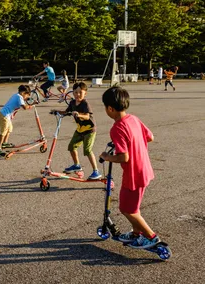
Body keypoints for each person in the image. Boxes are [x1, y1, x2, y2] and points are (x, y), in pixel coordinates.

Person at [99, 86, 159, 249]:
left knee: (127, 209)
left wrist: (106, 156)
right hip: (144, 169)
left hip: (134, 174)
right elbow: (150, 137)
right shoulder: (133, 119)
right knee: (134, 206)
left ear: (110, 108)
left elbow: (123, 157)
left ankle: (151, 237)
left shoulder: (117, 128)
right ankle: (135, 233)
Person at [50, 82, 101, 180]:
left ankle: (96, 171)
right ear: (72, 93)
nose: (77, 94)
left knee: (87, 150)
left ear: (85, 93)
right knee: (71, 146)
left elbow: (87, 116)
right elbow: (67, 111)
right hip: (80, 130)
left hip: (89, 130)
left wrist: (78, 114)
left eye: (80, 92)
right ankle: (77, 165)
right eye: (75, 92)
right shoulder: (72, 103)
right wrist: (56, 111)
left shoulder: (85, 103)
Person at [0, 85, 34, 157]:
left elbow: (22, 102)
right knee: (3, 132)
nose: (26, 98)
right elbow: (24, 107)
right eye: (27, 95)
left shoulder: (17, 95)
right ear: (23, 93)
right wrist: (31, 105)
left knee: (10, 129)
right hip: (4, 115)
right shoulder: (19, 97)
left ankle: (4, 143)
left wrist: (27, 100)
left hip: (6, 115)